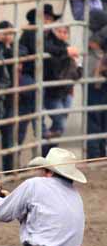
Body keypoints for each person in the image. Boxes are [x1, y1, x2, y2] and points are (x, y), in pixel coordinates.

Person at [18, 5, 79, 145]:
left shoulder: (49, 35)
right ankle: (41, 131)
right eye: (44, 17)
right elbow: (43, 47)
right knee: (20, 127)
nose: (47, 21)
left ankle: (46, 149)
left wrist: (66, 50)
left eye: (49, 18)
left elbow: (55, 48)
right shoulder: (31, 31)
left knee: (27, 119)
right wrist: (66, 51)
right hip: (28, 76)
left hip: (42, 81)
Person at [42, 26, 81, 155]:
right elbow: (53, 71)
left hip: (67, 92)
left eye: (65, 32)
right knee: (60, 123)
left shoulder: (68, 49)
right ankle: (46, 152)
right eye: (59, 31)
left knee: (59, 126)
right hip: (53, 93)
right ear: (54, 32)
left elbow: (76, 74)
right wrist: (67, 54)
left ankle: (48, 153)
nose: (62, 34)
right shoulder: (53, 49)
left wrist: (78, 64)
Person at [0, 21, 19, 170]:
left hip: (9, 97)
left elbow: (21, 54)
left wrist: (8, 45)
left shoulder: (15, 48)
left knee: (9, 136)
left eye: (9, 33)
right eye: (3, 33)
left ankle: (9, 170)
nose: (6, 36)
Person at [87, 55, 107, 158]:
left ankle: (98, 155)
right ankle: (95, 156)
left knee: (99, 124)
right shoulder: (94, 56)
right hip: (95, 91)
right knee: (95, 124)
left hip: (99, 90)